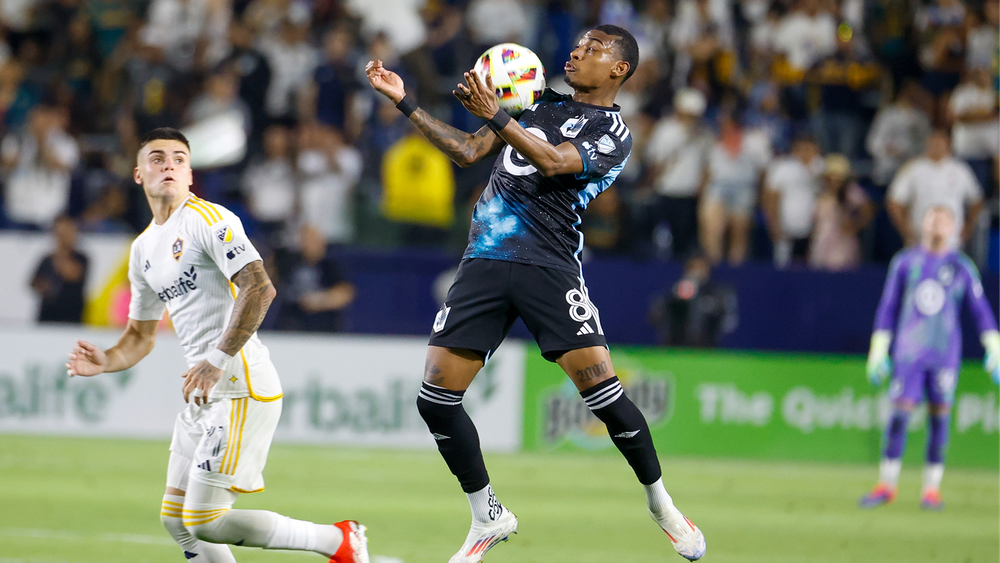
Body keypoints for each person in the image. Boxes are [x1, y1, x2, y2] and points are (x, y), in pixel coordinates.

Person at [367, 24, 706, 563]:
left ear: (619, 69)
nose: (576, 52)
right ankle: (487, 514)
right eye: (577, 45)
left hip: (548, 267)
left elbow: (554, 162)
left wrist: (499, 116)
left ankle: (661, 503)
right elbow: (467, 151)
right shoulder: (535, 103)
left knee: (604, 395)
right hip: (484, 261)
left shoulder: (613, 132)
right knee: (435, 398)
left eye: (593, 49)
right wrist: (405, 101)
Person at [64, 128, 369, 563]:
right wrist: (107, 359)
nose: (168, 165)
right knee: (176, 521)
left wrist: (216, 359)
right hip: (203, 394)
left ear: (190, 175)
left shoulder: (209, 220)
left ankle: (337, 541)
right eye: (157, 158)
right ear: (138, 174)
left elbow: (260, 288)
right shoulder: (143, 249)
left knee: (205, 521)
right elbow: (140, 336)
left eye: (179, 159)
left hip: (239, 386)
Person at [860, 205, 999, 511]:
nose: (938, 225)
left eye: (944, 220)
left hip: (944, 355)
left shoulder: (961, 266)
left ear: (953, 227)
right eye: (933, 219)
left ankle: (931, 489)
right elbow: (888, 306)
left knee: (940, 420)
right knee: (899, 417)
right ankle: (887, 484)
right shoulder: (905, 262)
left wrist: (994, 348)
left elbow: (980, 309)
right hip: (909, 354)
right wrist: (878, 350)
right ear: (922, 223)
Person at [886, 129, 982, 247]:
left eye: (941, 141)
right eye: (934, 141)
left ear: (948, 143)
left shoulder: (961, 170)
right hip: (919, 240)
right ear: (927, 143)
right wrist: (906, 231)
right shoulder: (913, 168)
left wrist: (968, 227)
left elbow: (976, 200)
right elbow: (894, 201)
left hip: (952, 241)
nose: (937, 145)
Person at [276, 224, 356, 332]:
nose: (310, 244)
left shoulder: (330, 267)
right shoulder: (289, 264)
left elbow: (346, 293)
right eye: (306, 240)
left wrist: (320, 300)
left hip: (323, 328)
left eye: (314, 240)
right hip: (290, 326)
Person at [648, 253, 737, 347]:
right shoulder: (675, 291)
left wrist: (708, 305)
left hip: (706, 343)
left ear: (707, 270)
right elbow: (655, 315)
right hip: (676, 342)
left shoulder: (717, 292)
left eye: (700, 267)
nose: (696, 272)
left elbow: (727, 319)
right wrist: (675, 299)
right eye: (692, 267)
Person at [762, 135, 823, 268]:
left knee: (812, 269)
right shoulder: (782, 167)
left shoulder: (821, 168)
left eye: (810, 149)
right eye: (803, 149)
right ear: (795, 150)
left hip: (814, 231)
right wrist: (774, 225)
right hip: (786, 228)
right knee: (782, 266)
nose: (807, 153)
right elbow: (770, 198)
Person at [808, 154, 875, 271]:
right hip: (821, 242)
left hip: (842, 242)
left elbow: (868, 210)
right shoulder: (821, 193)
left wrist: (855, 225)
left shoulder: (851, 192)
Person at [30, 214, 89, 323]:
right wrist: (44, 286)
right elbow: (33, 282)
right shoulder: (47, 259)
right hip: (48, 315)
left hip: (71, 316)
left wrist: (62, 251)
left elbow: (71, 274)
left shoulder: (81, 258)